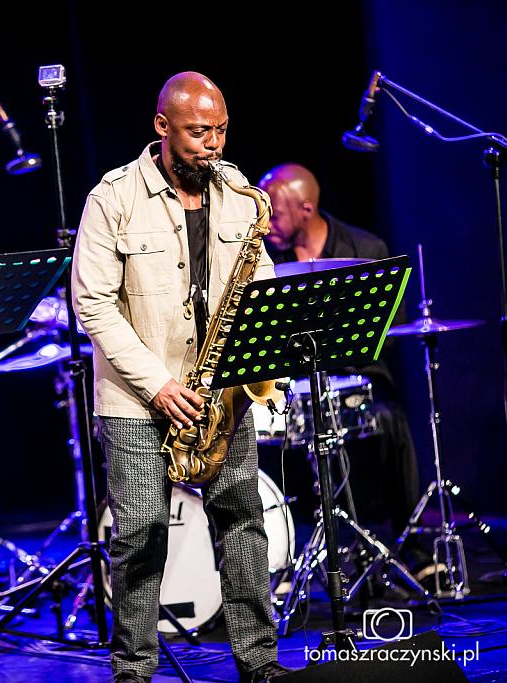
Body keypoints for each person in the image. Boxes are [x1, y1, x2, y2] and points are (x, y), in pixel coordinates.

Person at [72, 72, 289, 683]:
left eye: (221, 130)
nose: (212, 144)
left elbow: (260, 283)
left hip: (220, 393)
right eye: (198, 132)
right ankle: (135, 670)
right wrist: (159, 386)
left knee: (243, 522)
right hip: (139, 396)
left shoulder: (240, 195)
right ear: (162, 127)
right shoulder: (112, 197)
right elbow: (92, 304)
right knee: (141, 533)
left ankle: (259, 661)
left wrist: (257, 366)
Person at [257, 163, 420, 543]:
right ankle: (288, 546)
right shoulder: (264, 260)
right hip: (292, 385)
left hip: (357, 376)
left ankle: (411, 543)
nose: (267, 225)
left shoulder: (366, 249)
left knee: (390, 418)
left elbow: (388, 333)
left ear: (306, 209)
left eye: (275, 215)